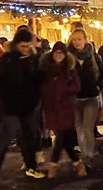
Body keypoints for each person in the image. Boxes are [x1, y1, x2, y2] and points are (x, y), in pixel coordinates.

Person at [0, 27, 45, 183]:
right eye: (22, 46)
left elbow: (37, 81)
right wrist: (4, 97)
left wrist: (34, 98)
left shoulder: (33, 59)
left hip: (27, 106)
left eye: (28, 46)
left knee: (28, 138)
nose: (25, 49)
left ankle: (31, 167)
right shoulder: (7, 60)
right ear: (16, 44)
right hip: (10, 106)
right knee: (6, 139)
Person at [39, 42, 85, 179]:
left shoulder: (70, 70)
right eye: (56, 53)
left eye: (61, 53)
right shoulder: (46, 70)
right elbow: (42, 86)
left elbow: (77, 87)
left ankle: (53, 165)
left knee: (60, 137)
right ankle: (78, 163)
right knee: (63, 139)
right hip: (51, 107)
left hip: (66, 107)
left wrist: (64, 90)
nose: (58, 56)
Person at [68, 28, 103, 168]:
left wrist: (99, 86)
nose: (77, 42)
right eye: (74, 39)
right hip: (74, 98)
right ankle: (84, 155)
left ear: (85, 39)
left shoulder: (93, 56)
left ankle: (88, 155)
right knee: (78, 128)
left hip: (91, 97)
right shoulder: (68, 57)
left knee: (88, 128)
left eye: (79, 39)